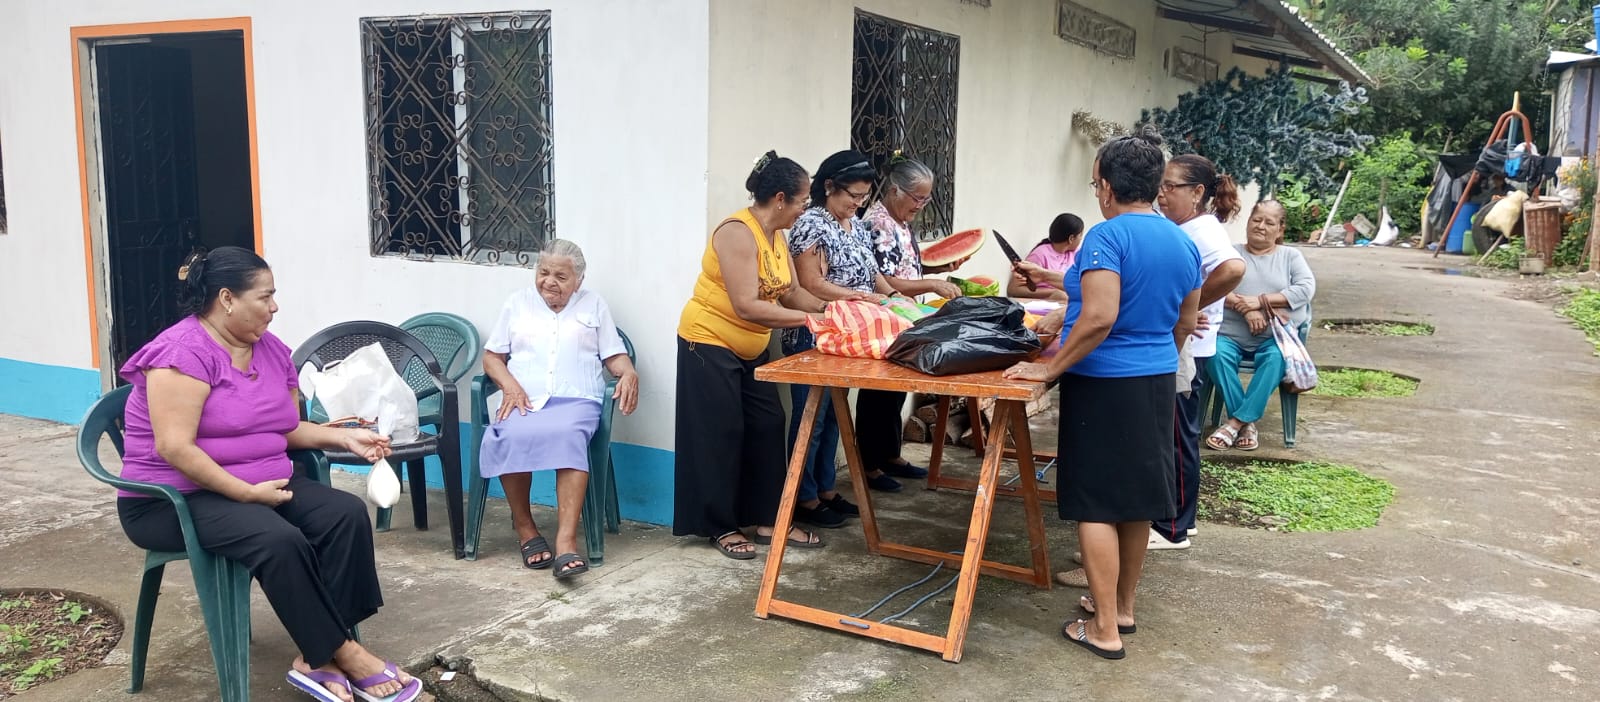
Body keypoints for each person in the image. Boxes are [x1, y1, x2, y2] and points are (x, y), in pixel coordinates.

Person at [115, 246, 421, 702]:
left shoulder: (271, 351)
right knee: (278, 539)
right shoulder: (182, 354)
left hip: (262, 484)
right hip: (174, 499)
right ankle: (342, 652)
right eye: (265, 296)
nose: (274, 307)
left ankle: (317, 656)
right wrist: (245, 492)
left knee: (345, 515)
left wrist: (343, 438)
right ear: (227, 299)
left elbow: (285, 428)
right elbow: (174, 447)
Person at [1004, 129, 1202, 661]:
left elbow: (1097, 317)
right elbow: (1186, 320)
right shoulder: (1182, 241)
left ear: (1109, 187)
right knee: (1136, 503)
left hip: (1102, 384)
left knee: (1095, 505)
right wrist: (1155, 357)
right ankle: (1123, 610)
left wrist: (1048, 371)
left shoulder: (1106, 236)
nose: (1096, 194)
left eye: (1096, 184)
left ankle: (1104, 629)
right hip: (1156, 381)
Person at [675, 150, 828, 559]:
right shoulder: (737, 233)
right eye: (802, 201)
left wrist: (830, 309)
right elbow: (746, 306)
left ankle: (767, 519)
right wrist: (810, 321)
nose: (804, 208)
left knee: (768, 422)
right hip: (708, 341)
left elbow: (791, 292)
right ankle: (720, 526)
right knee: (720, 432)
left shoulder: (777, 235)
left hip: (752, 347)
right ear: (780, 199)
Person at [479, 239, 640, 578]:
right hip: (524, 397)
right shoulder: (517, 303)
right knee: (508, 434)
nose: (549, 282)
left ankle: (566, 541)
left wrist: (627, 372)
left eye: (561, 277)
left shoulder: (594, 304)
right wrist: (510, 385)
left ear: (579, 280)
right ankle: (526, 529)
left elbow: (613, 355)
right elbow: (492, 357)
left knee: (568, 437)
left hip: (577, 399)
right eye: (544, 272)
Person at [852, 153, 963, 503]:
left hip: (906, 316)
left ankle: (890, 454)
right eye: (917, 198)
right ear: (895, 190)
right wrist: (932, 285)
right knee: (877, 393)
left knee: (895, 391)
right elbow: (885, 279)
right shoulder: (878, 224)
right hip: (886, 316)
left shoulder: (899, 221)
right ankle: (870, 464)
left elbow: (907, 268)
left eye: (927, 199)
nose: (921, 206)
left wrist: (938, 269)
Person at [1148, 154, 1245, 550]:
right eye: (1161, 185)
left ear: (1198, 192)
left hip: (1189, 349)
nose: (1162, 194)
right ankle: (1180, 521)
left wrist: (1188, 307)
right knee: (1175, 434)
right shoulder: (1185, 227)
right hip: (1184, 344)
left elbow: (1233, 269)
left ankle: (1172, 529)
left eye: (1171, 186)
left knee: (1177, 437)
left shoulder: (1202, 230)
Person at [1206, 200, 1316, 451]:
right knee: (1214, 353)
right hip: (1230, 336)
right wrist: (1245, 309)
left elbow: (1305, 289)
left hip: (1273, 338)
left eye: (1269, 222)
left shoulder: (1290, 257)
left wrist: (1260, 302)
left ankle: (1236, 422)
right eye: (1256, 220)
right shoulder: (1231, 253)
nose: (1261, 226)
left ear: (1280, 229)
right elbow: (1209, 285)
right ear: (1248, 222)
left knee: (1277, 358)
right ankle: (1245, 424)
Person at [1008, 213, 1085, 301]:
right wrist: (1052, 293)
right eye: (1080, 235)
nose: (1081, 239)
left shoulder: (1076, 254)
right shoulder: (1040, 255)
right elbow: (1014, 290)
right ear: (1071, 238)